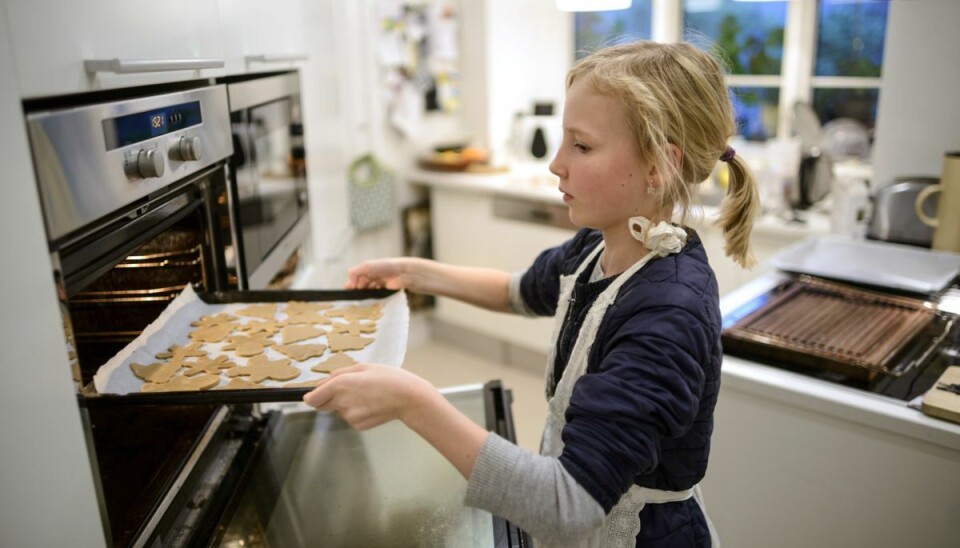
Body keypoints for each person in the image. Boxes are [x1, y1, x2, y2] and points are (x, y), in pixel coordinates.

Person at [304, 40, 759, 547]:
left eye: (581, 146)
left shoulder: (667, 313)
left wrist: (414, 402)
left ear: (659, 167)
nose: (556, 163)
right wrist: (414, 272)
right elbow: (516, 291)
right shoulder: (599, 245)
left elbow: (569, 506)